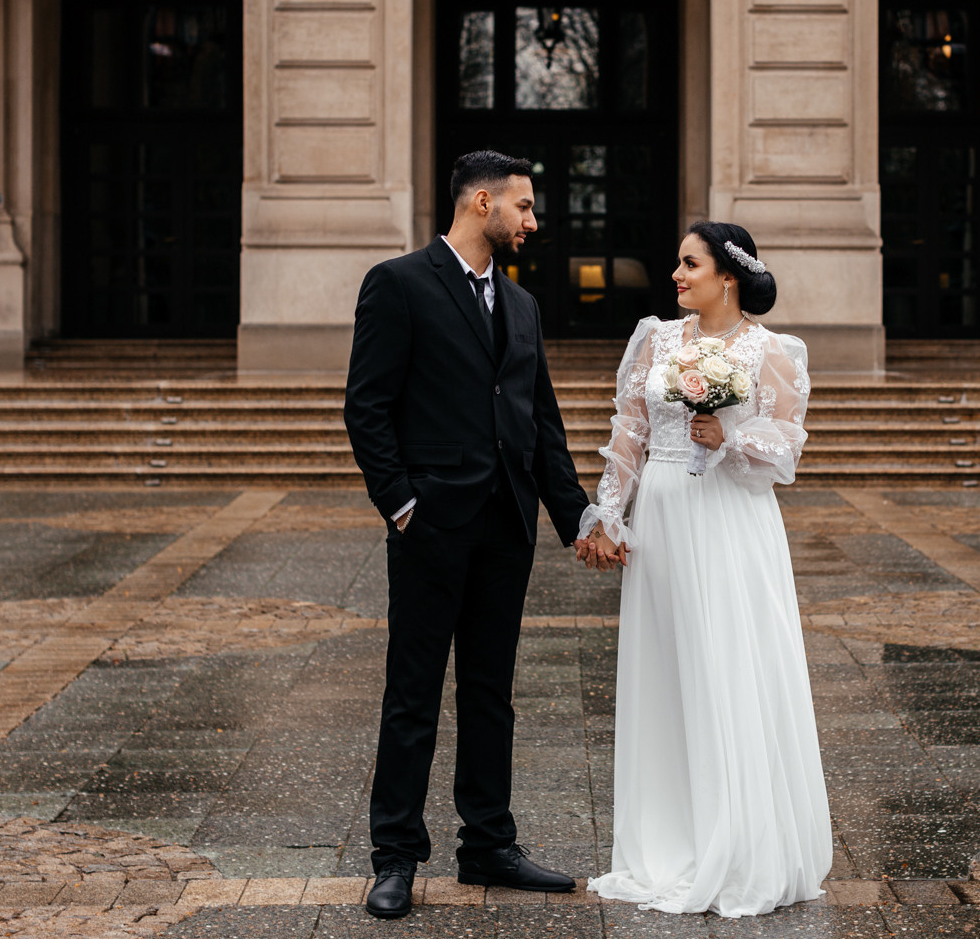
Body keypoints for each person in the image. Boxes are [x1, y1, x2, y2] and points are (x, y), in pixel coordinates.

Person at [343, 150, 614, 919]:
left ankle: (488, 845)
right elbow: (367, 408)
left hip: (506, 526)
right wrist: (401, 506)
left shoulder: (522, 308)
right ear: (482, 203)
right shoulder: (397, 284)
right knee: (413, 695)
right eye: (524, 208)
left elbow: (542, 426)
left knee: (492, 693)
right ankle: (395, 856)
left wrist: (579, 517)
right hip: (431, 526)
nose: (533, 223)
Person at [574, 221, 833, 917]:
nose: (676, 276)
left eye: (689, 264)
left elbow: (786, 454)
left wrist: (732, 433)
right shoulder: (656, 340)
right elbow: (627, 432)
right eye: (677, 263)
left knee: (727, 666)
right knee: (666, 667)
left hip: (728, 521)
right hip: (661, 515)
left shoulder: (771, 352)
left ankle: (739, 841)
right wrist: (609, 514)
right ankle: (666, 838)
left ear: (728, 275)